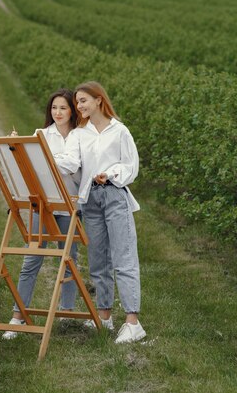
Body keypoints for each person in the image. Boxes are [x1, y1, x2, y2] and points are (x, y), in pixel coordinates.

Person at [56, 80, 146, 344]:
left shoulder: (120, 131)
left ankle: (132, 321)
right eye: (77, 102)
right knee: (98, 260)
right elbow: (71, 161)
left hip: (114, 194)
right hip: (90, 199)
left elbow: (131, 166)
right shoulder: (78, 134)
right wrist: (44, 154)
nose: (79, 106)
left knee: (124, 257)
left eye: (83, 100)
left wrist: (112, 174)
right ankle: (104, 316)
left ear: (98, 100)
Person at [2, 88, 83, 340]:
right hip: (43, 202)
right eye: (54, 108)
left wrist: (43, 157)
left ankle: (67, 313)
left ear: (73, 111)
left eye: (63, 108)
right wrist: (24, 150)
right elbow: (32, 165)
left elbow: (73, 164)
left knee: (69, 260)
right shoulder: (41, 134)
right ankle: (18, 316)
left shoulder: (81, 135)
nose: (57, 112)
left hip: (69, 204)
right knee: (32, 257)